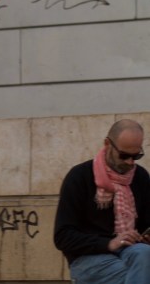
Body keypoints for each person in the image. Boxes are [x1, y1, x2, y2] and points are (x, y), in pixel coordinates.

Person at [54, 119, 150, 283]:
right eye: (124, 155)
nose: (130, 162)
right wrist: (109, 243)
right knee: (137, 274)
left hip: (131, 251)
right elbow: (63, 236)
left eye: (136, 156)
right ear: (107, 144)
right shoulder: (79, 176)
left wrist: (145, 236)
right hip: (89, 257)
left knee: (145, 255)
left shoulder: (140, 176)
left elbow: (146, 223)